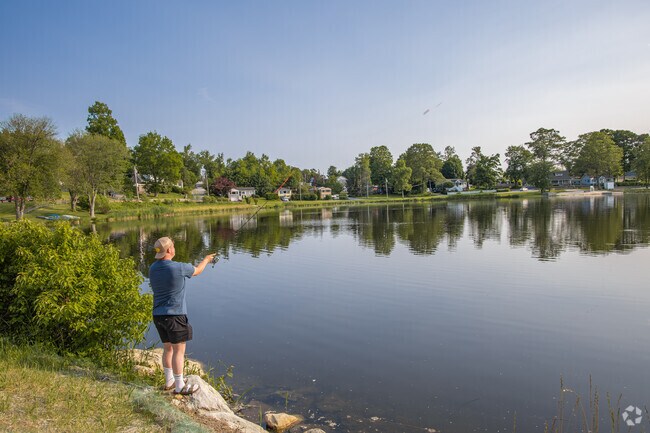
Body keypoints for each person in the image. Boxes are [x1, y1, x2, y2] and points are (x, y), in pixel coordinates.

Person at [149, 236, 216, 395]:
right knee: (179, 351)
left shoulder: (153, 268)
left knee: (168, 349)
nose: (174, 248)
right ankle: (179, 386)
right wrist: (206, 259)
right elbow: (197, 271)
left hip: (158, 315)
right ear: (170, 250)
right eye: (173, 245)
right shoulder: (178, 267)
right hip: (175, 315)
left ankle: (169, 381)